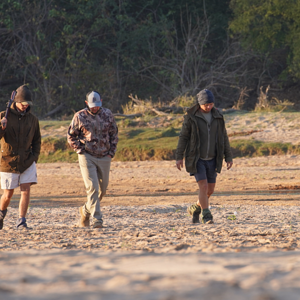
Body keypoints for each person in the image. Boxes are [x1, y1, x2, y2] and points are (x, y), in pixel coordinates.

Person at [176, 89, 233, 224]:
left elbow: (223, 137)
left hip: (213, 159)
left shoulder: (218, 116)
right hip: (197, 159)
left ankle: (196, 207)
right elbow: (183, 137)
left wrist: (228, 156)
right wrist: (179, 156)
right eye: (206, 104)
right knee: (203, 186)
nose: (209, 107)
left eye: (211, 104)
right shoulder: (191, 116)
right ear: (200, 103)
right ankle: (206, 215)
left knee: (210, 190)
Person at [67, 91, 118, 228]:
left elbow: (114, 133)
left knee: (102, 189)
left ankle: (85, 210)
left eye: (97, 105)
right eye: (92, 105)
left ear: (101, 101)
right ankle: (97, 219)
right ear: (86, 103)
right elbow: (71, 136)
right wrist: (80, 150)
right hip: (87, 156)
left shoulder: (108, 114)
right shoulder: (80, 116)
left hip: (104, 156)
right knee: (92, 188)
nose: (95, 108)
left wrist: (111, 153)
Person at [0, 85, 41, 229]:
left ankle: (21, 221)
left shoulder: (33, 120)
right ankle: (1, 213)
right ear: (16, 101)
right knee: (8, 195)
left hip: (27, 161)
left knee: (26, 190)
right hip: (8, 162)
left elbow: (37, 141)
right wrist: (1, 128)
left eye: (27, 104)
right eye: (23, 104)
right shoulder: (3, 116)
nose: (25, 106)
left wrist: (34, 157)